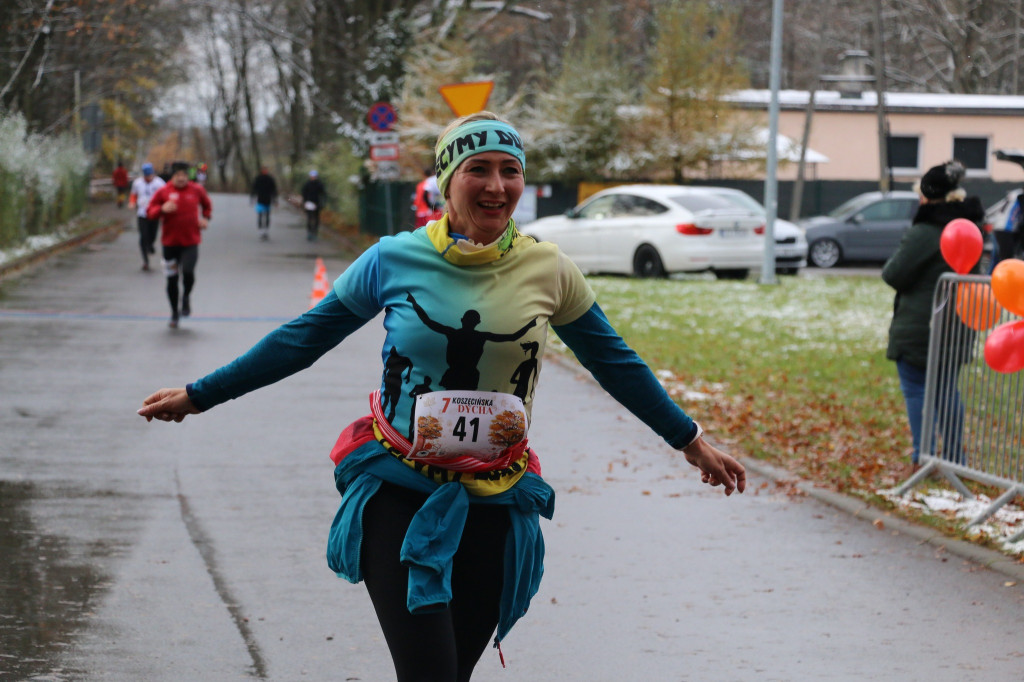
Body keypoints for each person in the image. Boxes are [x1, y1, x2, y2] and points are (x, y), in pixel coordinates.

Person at [137, 112, 744, 681]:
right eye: (478, 169)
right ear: (447, 180)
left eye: (510, 171)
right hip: (400, 491)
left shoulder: (550, 270)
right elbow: (302, 340)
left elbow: (613, 361)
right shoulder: (392, 259)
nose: (496, 186)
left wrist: (687, 439)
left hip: (498, 500)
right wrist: (200, 394)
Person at [882, 160, 985, 467]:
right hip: (958, 324)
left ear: (925, 196)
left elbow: (893, 274)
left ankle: (922, 458)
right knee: (946, 390)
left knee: (916, 389)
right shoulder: (969, 228)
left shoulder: (926, 231)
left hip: (921, 327)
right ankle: (955, 459)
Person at [146, 161, 213, 328]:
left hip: (191, 241)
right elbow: (150, 211)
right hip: (170, 243)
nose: (181, 179)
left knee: (188, 272)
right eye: (178, 176)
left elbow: (207, 206)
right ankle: (174, 313)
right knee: (172, 280)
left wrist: (205, 218)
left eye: (184, 175)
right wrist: (162, 209)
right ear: (173, 177)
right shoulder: (164, 191)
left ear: (188, 176)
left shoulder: (197, 190)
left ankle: (186, 297)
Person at [128, 162, 166, 271]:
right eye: (146, 176)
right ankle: (145, 261)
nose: (148, 178)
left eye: (150, 175)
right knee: (143, 236)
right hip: (142, 213)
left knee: (152, 234)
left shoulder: (159, 183)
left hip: (154, 213)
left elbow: (165, 196)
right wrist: (132, 202)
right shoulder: (137, 183)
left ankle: (151, 244)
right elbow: (133, 195)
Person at [250, 166, 279, 241]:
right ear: (261, 171)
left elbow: (274, 190)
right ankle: (261, 231)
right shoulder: (258, 179)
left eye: (266, 170)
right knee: (260, 215)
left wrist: (275, 200)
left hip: (268, 200)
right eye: (263, 170)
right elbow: (254, 188)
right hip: (260, 200)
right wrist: (252, 198)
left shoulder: (270, 179)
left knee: (267, 216)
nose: (265, 171)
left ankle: (266, 231)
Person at [301, 170, 327, 241]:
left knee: (316, 219)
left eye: (314, 176)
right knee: (309, 218)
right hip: (309, 203)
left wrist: (322, 203)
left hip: (317, 204)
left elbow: (323, 193)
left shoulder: (319, 184)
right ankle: (309, 233)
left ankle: (315, 233)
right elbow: (304, 193)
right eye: (312, 176)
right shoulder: (307, 184)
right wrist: (305, 202)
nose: (313, 177)